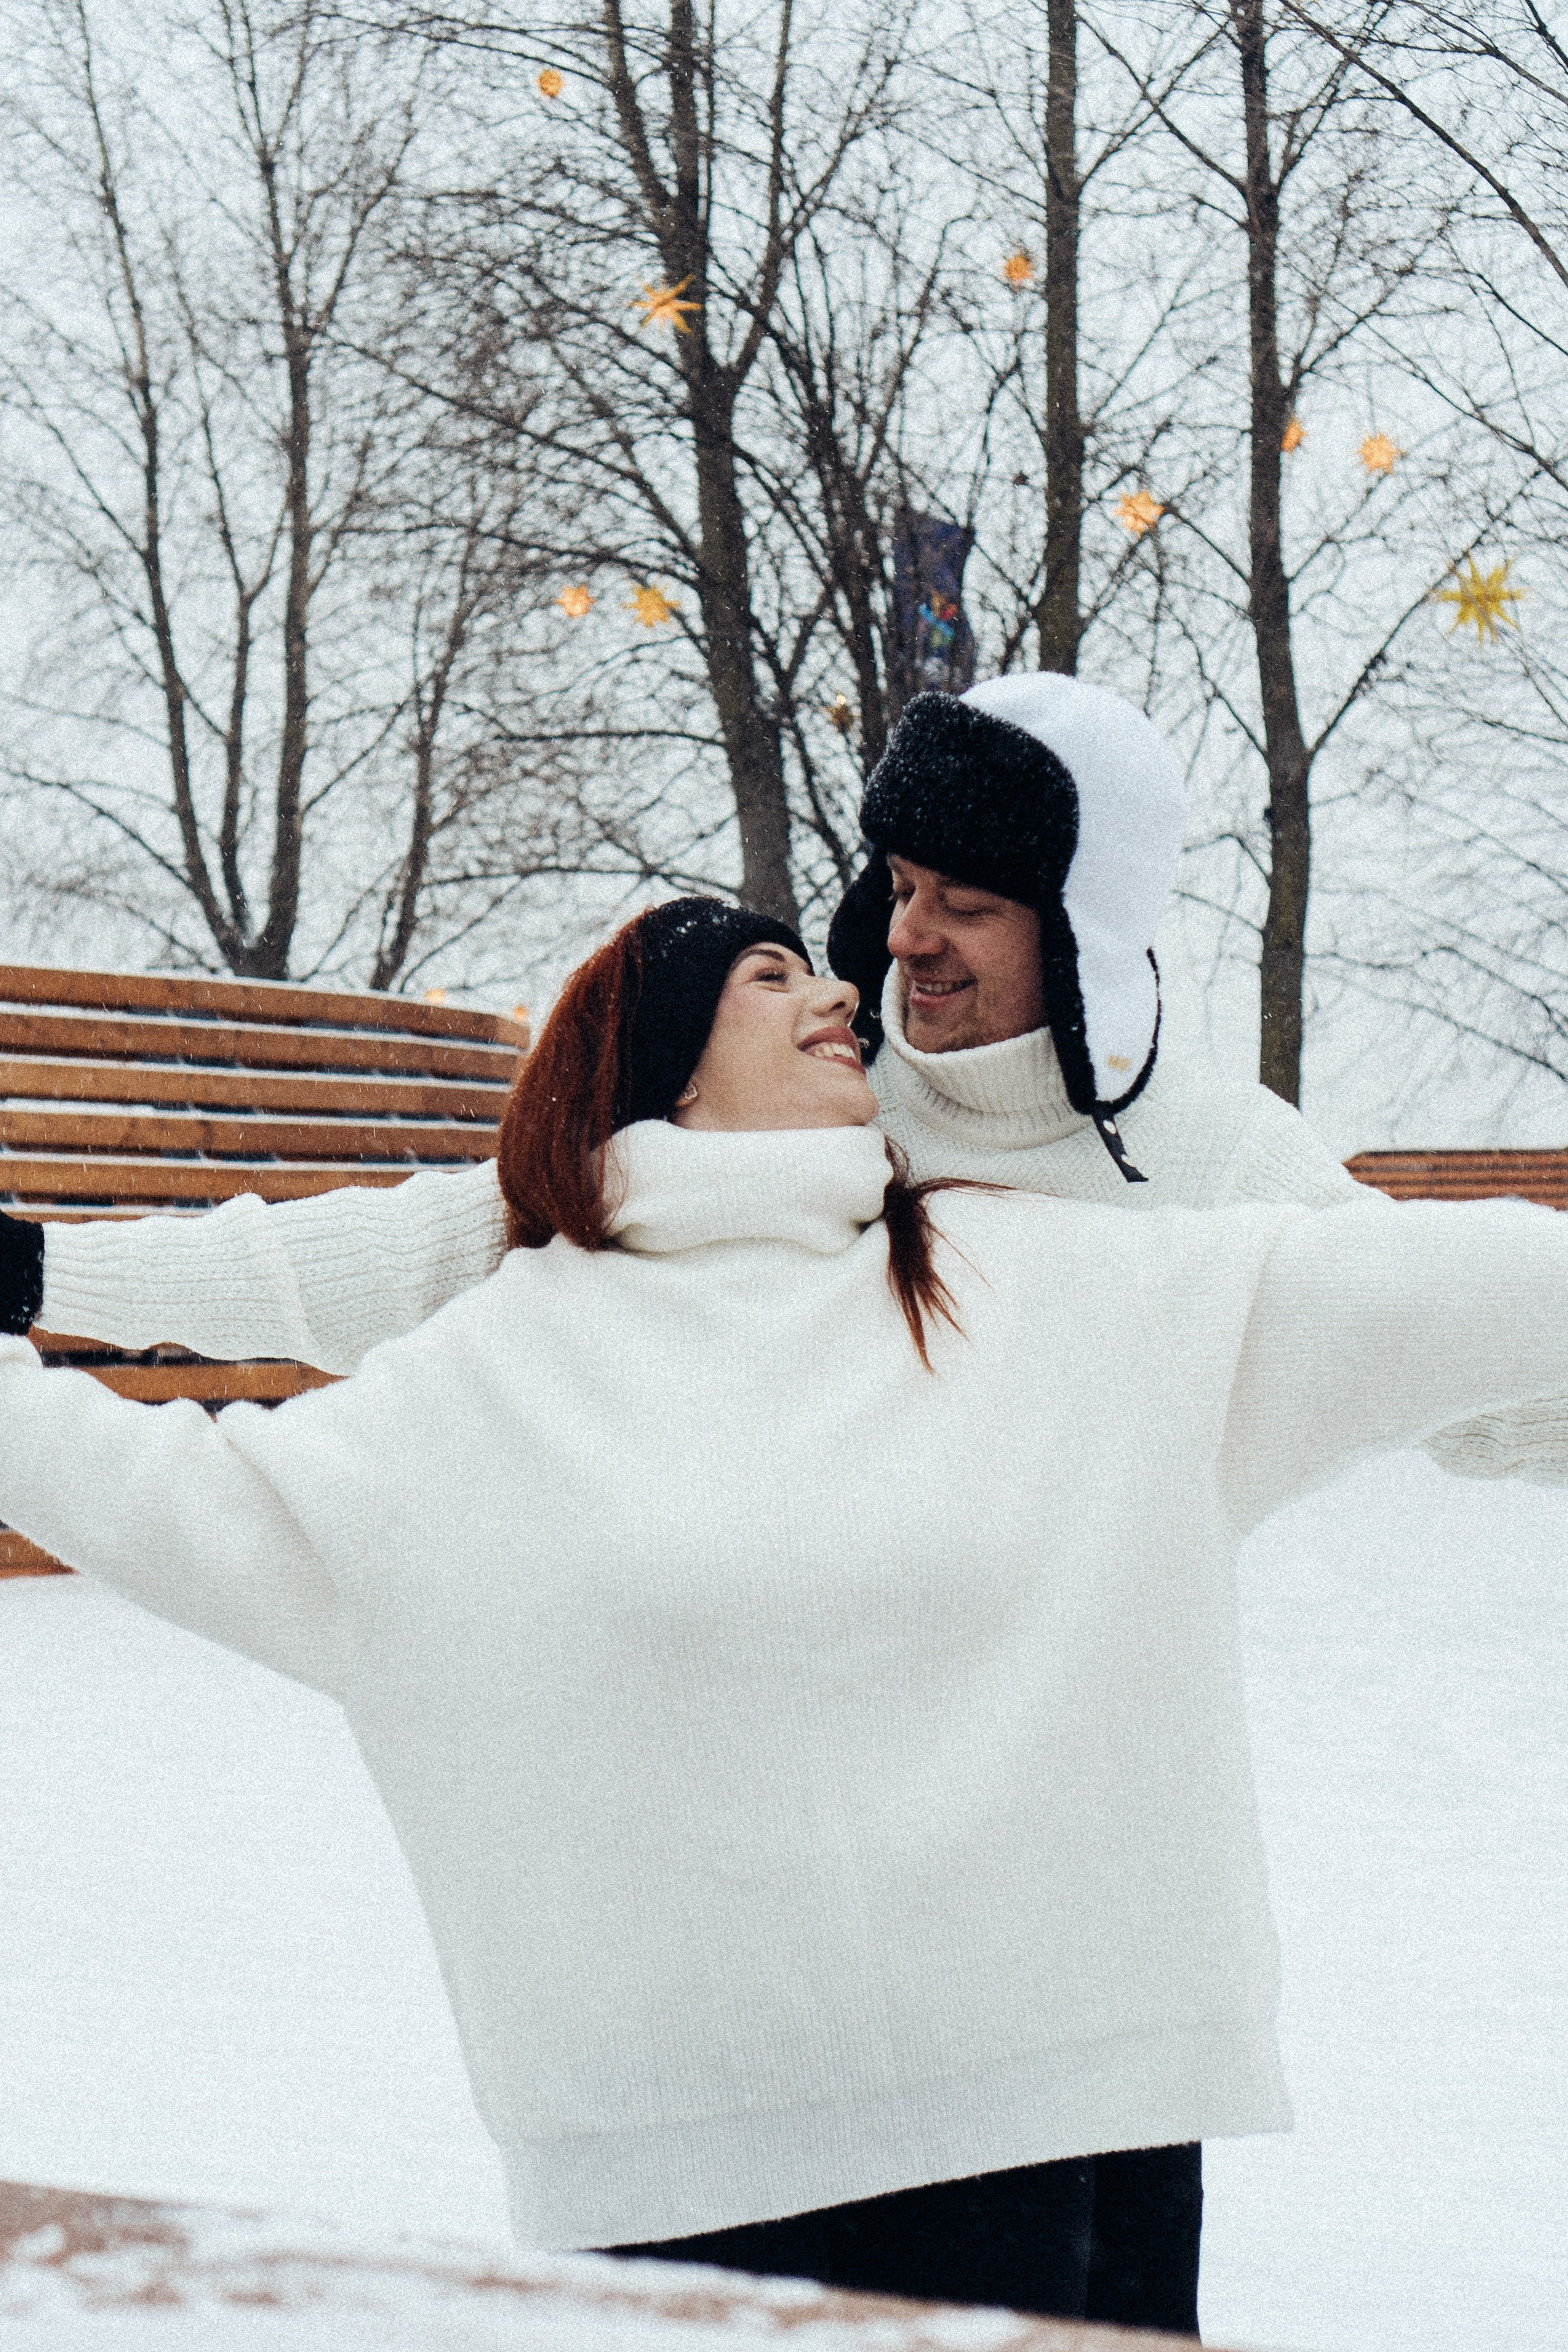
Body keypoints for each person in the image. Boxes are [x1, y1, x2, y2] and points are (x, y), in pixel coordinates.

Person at [1, 895, 1567, 2333]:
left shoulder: (1032, 1283)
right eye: (772, 976)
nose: (843, 988)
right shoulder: (504, 1370)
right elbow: (187, 1496)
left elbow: (1408, 1288)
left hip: (1076, 2127)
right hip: (698, 2183)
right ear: (661, 1063)